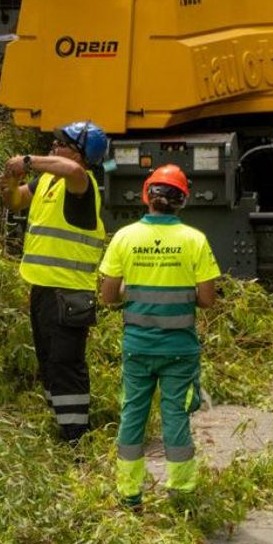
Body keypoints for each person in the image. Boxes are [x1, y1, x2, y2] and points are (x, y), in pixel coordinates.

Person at [98, 164, 220, 510]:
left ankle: (129, 494)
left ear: (146, 196)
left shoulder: (124, 237)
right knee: (176, 418)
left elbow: (108, 296)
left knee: (132, 416)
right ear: (182, 200)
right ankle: (180, 494)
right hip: (179, 350)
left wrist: (133, 289)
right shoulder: (194, 240)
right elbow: (208, 299)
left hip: (138, 348)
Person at [1, 120, 110, 443]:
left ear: (78, 154)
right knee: (49, 363)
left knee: (65, 366)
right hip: (44, 291)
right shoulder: (48, 181)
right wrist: (8, 183)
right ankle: (63, 428)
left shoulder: (81, 183)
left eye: (59, 144)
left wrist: (29, 161)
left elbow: (73, 172)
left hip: (69, 294)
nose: (52, 148)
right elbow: (16, 201)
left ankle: (78, 439)